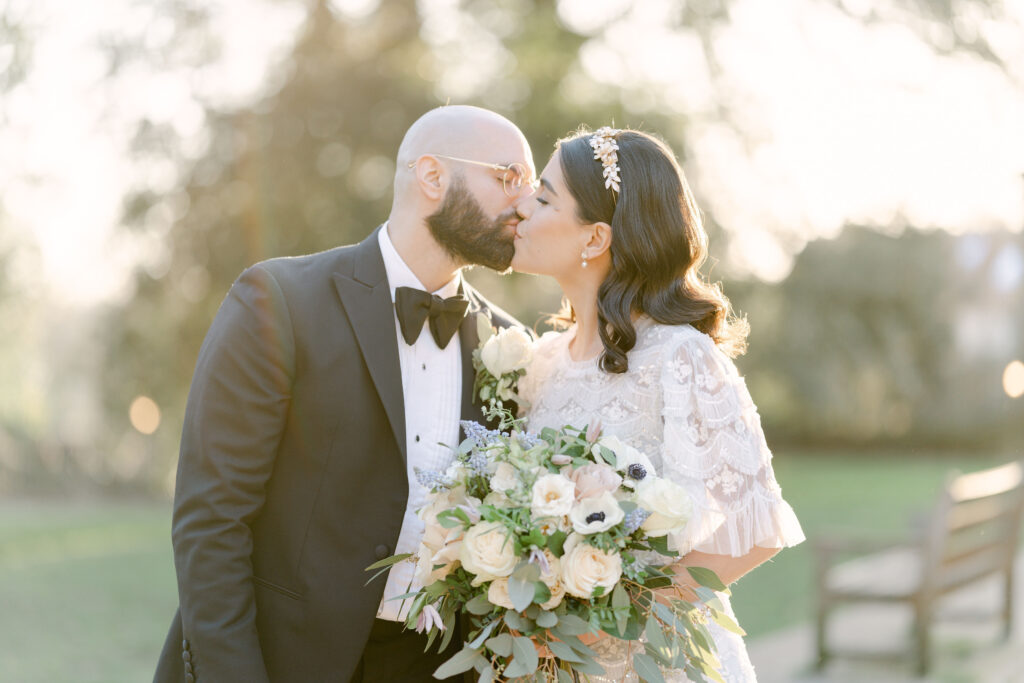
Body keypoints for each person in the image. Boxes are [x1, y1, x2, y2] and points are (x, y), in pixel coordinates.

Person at [153, 105, 534, 683]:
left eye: (530, 187)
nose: (524, 203)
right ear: (432, 177)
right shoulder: (278, 301)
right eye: (508, 178)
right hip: (281, 662)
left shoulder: (513, 347)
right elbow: (211, 519)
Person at [512, 128, 805, 682]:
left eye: (544, 197)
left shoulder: (678, 355)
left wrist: (618, 623)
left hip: (652, 661)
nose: (523, 206)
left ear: (595, 238)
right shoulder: (542, 362)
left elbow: (758, 527)